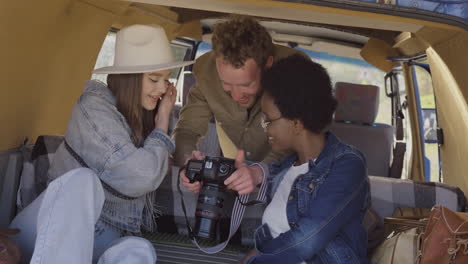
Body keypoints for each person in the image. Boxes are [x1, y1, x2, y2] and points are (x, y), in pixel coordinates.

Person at [9, 24, 194, 264]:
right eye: (154, 79)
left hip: (100, 238)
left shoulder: (139, 117)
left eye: (166, 79)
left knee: (139, 249)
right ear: (129, 79)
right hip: (48, 230)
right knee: (82, 181)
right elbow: (142, 175)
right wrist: (161, 125)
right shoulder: (93, 107)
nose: (163, 88)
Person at [242, 54, 370, 264]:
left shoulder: (347, 164)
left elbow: (308, 239)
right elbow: (269, 242)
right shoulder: (283, 169)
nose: (264, 126)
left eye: (268, 119)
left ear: (296, 123)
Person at [174, 15, 308, 195]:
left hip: (287, 183)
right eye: (227, 84)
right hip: (232, 178)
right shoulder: (206, 73)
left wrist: (260, 171)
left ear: (267, 64)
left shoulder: (296, 75)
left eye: (246, 85)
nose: (236, 96)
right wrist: (187, 161)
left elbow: (298, 138)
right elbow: (187, 129)